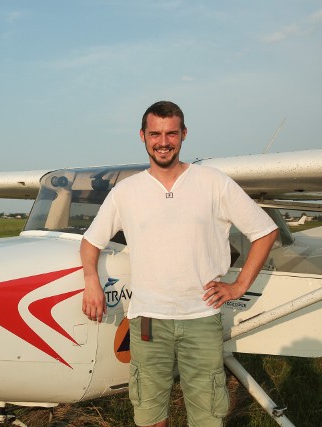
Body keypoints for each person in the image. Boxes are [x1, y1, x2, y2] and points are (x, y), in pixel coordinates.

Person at [80, 101, 279, 427]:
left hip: (200, 318)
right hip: (147, 321)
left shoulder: (214, 182)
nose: (163, 141)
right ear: (142, 136)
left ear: (183, 134)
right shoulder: (126, 192)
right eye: (155, 133)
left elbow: (264, 232)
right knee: (149, 413)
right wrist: (91, 281)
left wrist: (239, 286)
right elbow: (91, 242)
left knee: (207, 416)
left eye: (171, 133)